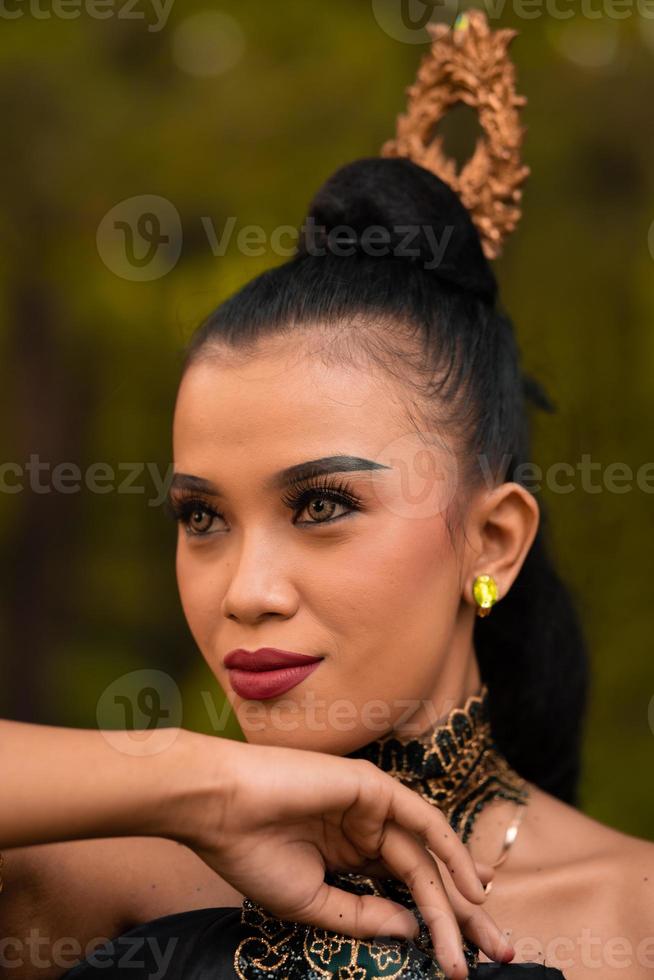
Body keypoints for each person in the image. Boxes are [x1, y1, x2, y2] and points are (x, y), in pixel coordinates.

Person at [4, 11, 653, 980]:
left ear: (494, 540)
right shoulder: (104, 872)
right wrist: (199, 780)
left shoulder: (632, 917)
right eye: (202, 518)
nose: (244, 591)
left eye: (320, 505)